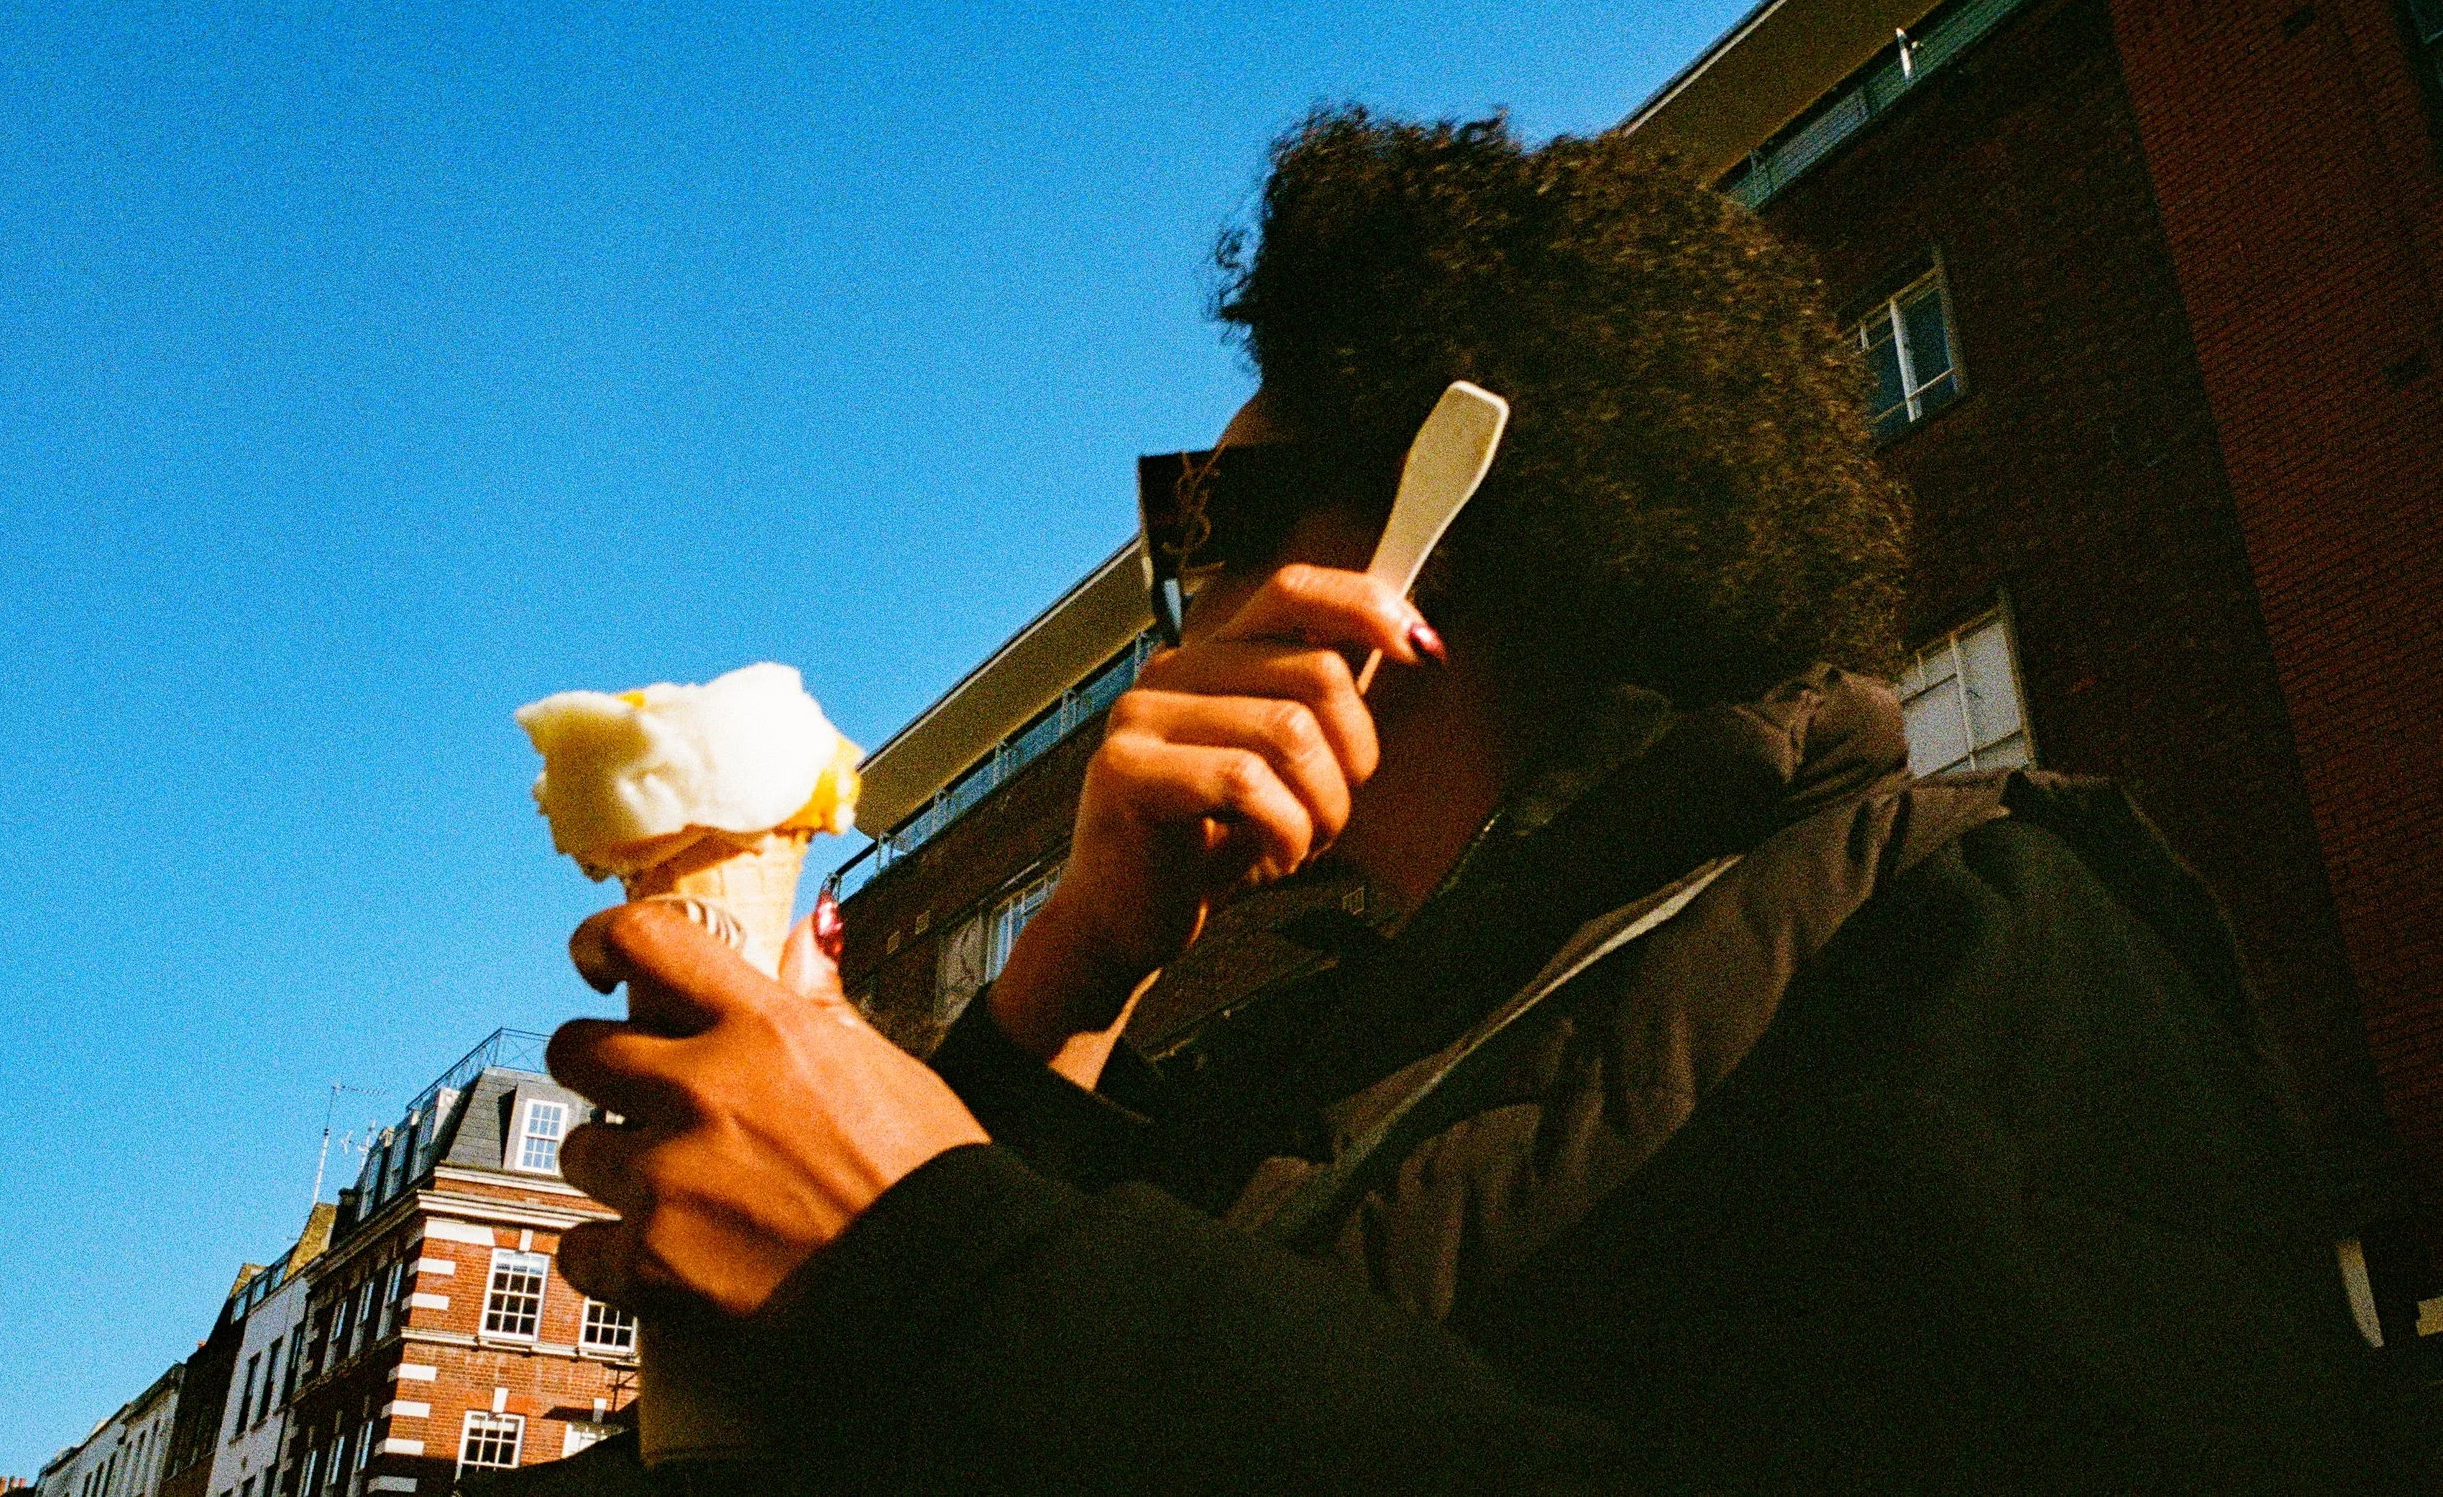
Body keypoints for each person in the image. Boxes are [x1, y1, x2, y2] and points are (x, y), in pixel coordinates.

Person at [518, 112, 2388, 1494]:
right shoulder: (1324, 1053)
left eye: (1208, 517)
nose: (1172, 597)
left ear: (1435, 531)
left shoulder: (1968, 926)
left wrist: (943, 1253)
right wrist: (1070, 976)